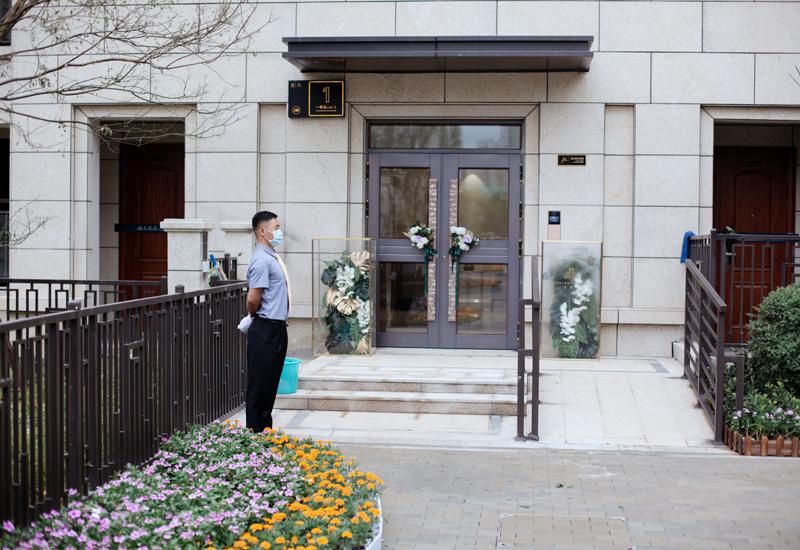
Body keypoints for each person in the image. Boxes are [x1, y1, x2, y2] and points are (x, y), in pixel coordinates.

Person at [244, 210, 292, 433]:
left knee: (269, 385)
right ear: (263, 231)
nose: (280, 232)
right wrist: (253, 315)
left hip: (277, 328)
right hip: (265, 328)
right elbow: (253, 299)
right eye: (276, 228)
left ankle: (265, 433)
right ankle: (256, 435)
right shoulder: (262, 260)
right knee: (260, 387)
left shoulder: (271, 256)